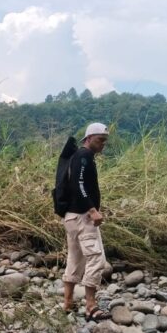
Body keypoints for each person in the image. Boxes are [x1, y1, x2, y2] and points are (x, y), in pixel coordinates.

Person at [63, 122, 111, 321]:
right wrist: (92, 210)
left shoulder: (78, 156)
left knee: (75, 259)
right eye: (100, 140)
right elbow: (79, 184)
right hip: (83, 217)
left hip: (71, 217)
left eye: (105, 141)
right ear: (89, 138)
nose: (103, 145)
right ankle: (91, 306)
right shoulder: (83, 156)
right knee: (97, 259)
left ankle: (67, 303)